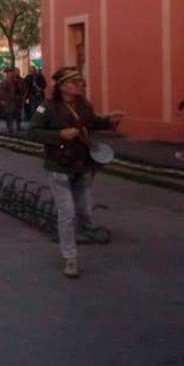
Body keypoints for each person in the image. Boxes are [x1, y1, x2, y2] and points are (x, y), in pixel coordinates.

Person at [28, 67, 124, 279]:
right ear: (63, 86)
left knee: (85, 213)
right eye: (75, 81)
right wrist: (59, 134)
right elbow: (32, 131)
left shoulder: (83, 104)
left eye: (80, 80)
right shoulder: (48, 107)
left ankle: (73, 233)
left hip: (82, 166)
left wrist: (109, 121)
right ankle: (70, 258)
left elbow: (92, 121)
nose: (81, 83)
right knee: (67, 214)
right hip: (59, 168)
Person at [0, 67, 26, 133]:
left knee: (18, 114)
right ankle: (10, 128)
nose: (14, 74)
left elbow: (24, 89)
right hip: (9, 100)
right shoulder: (6, 81)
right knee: (9, 114)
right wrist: (3, 99)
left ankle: (18, 126)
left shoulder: (20, 80)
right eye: (14, 72)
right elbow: (2, 91)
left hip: (18, 100)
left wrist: (23, 97)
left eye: (17, 72)